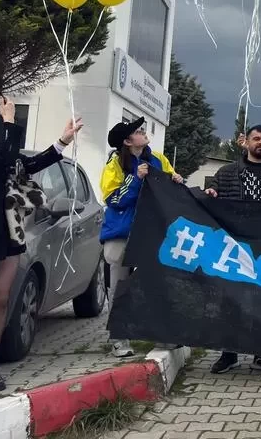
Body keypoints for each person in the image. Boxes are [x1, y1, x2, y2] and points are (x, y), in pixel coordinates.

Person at [0, 98, 82, 391]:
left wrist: (61, 143)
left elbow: (22, 164)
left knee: (0, 299)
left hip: (4, 231)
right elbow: (0, 162)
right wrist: (8, 121)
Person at [204, 125, 261, 376]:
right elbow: (213, 200)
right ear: (246, 143)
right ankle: (229, 353)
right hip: (233, 247)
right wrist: (210, 195)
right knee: (231, 300)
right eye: (257, 138)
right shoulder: (227, 172)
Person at [98, 117, 183, 358]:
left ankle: (160, 334)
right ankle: (119, 338)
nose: (144, 132)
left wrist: (176, 180)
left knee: (156, 283)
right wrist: (135, 178)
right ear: (127, 141)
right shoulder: (114, 164)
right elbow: (113, 199)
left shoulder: (157, 158)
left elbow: (170, 185)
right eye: (138, 131)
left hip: (153, 232)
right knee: (119, 285)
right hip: (122, 233)